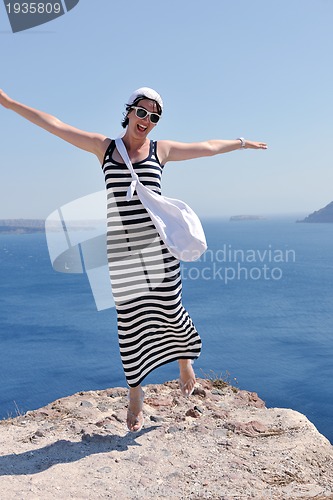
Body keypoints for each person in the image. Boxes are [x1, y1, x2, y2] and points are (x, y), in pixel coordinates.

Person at [0, 87, 267, 432]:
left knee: (171, 308)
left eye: (154, 117)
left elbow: (208, 147)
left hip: (159, 248)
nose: (147, 121)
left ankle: (185, 363)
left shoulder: (161, 150)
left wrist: (241, 143)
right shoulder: (105, 148)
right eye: (142, 113)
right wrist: (7, 103)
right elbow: (54, 124)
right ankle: (136, 394)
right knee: (129, 326)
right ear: (128, 111)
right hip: (123, 252)